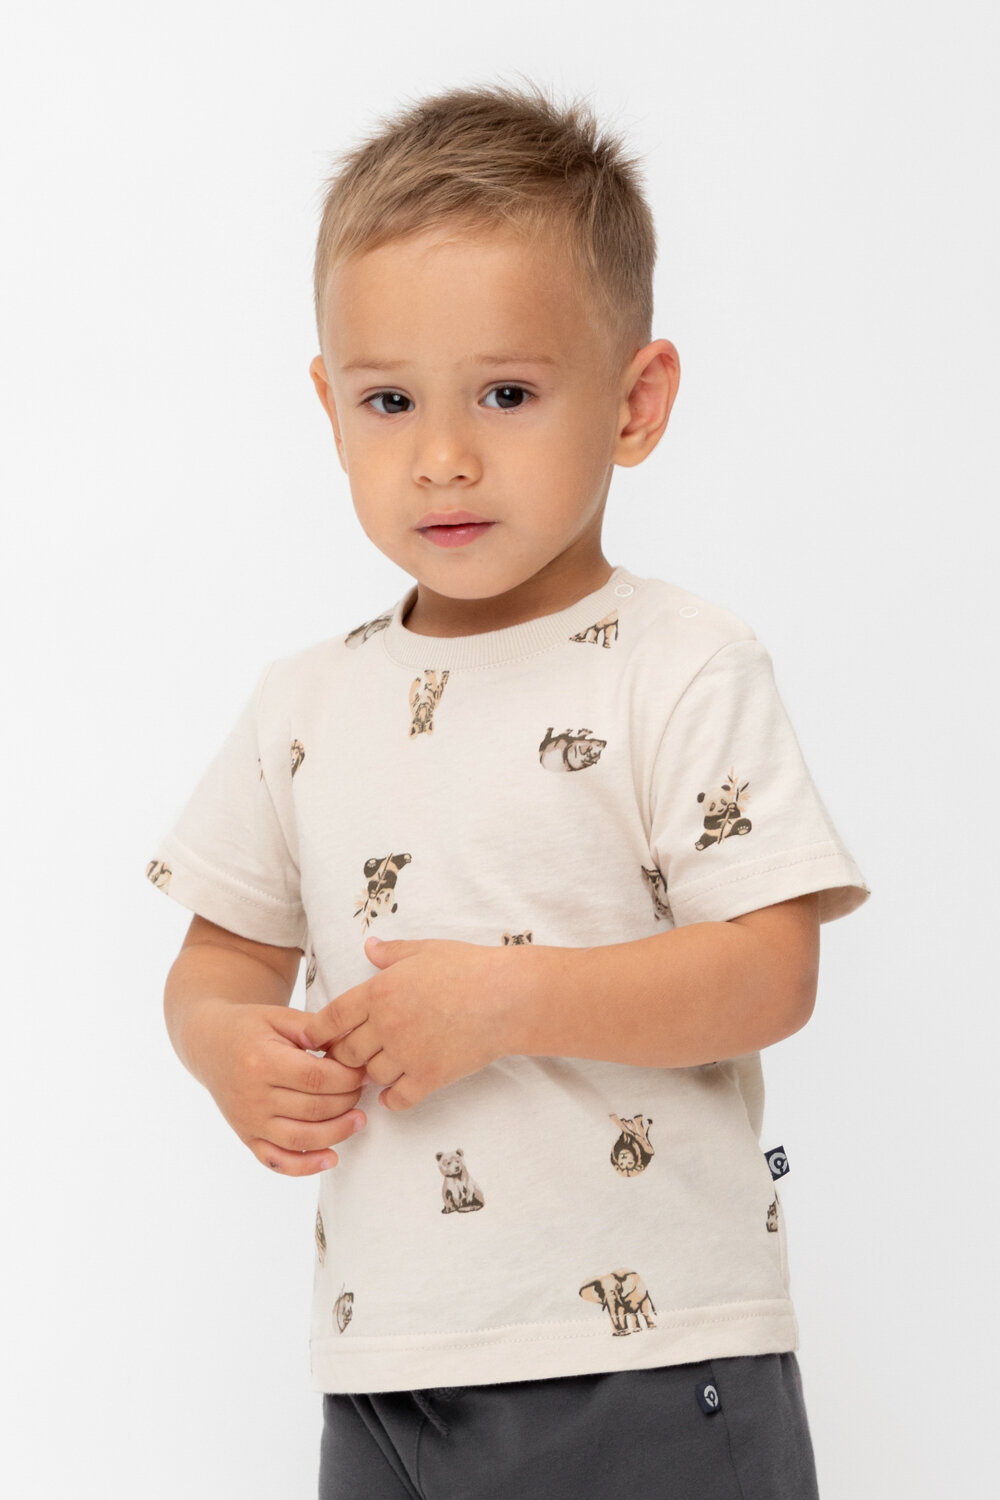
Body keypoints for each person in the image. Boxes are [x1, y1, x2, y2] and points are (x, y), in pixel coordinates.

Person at [147, 79, 870, 1499]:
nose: (444, 456)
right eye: (390, 401)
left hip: (649, 1360)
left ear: (635, 403)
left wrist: (510, 1002)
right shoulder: (304, 705)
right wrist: (227, 1048)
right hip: (385, 1371)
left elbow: (772, 970)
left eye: (508, 393)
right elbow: (218, 960)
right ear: (330, 408)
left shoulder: (680, 664)